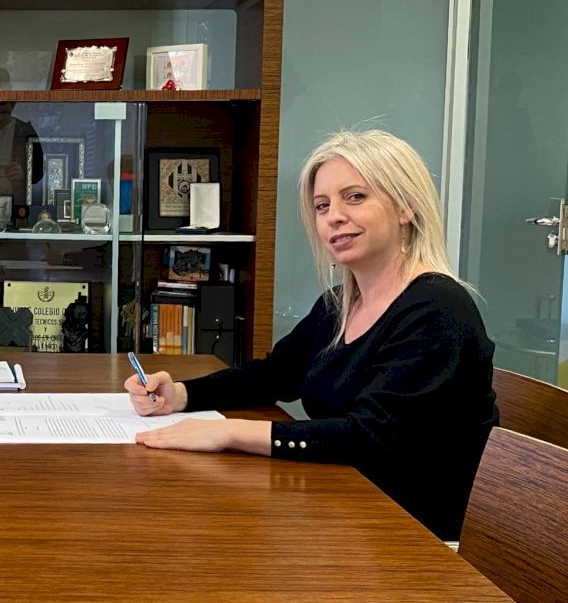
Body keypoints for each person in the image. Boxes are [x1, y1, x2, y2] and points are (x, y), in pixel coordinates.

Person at [124, 130, 497, 540]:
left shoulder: (438, 308)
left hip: (412, 537)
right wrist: (180, 395)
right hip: (346, 509)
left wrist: (227, 432)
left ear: (406, 206)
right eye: (322, 206)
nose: (333, 216)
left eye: (355, 197)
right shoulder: (339, 304)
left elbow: (370, 438)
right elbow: (272, 376)